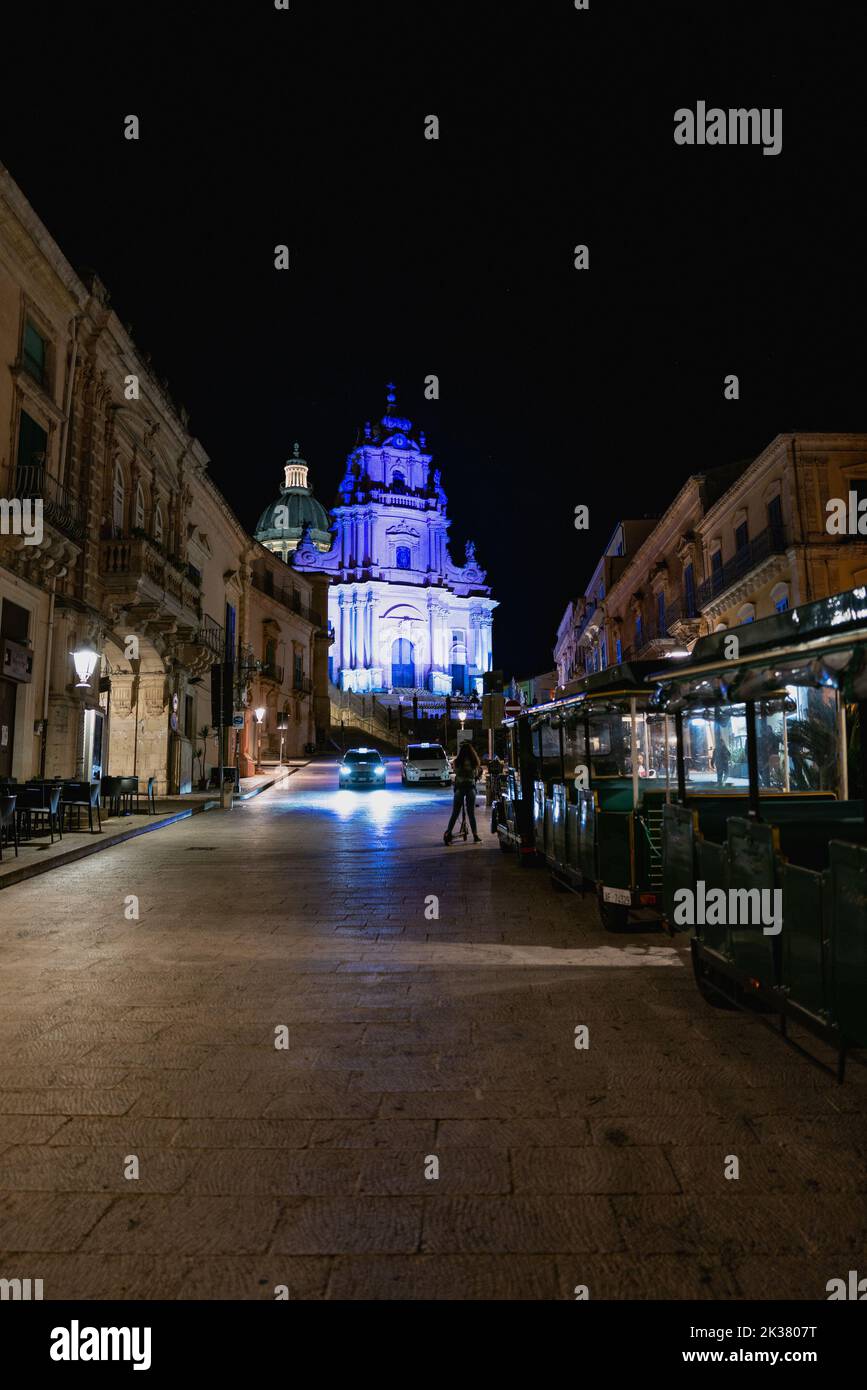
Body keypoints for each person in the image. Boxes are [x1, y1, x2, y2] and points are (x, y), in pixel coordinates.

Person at [444, 741, 481, 844]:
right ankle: (475, 836)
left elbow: (456, 772)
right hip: (470, 788)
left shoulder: (457, 761)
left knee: (455, 812)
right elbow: (476, 774)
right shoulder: (474, 761)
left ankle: (448, 832)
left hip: (460, 788)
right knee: (471, 813)